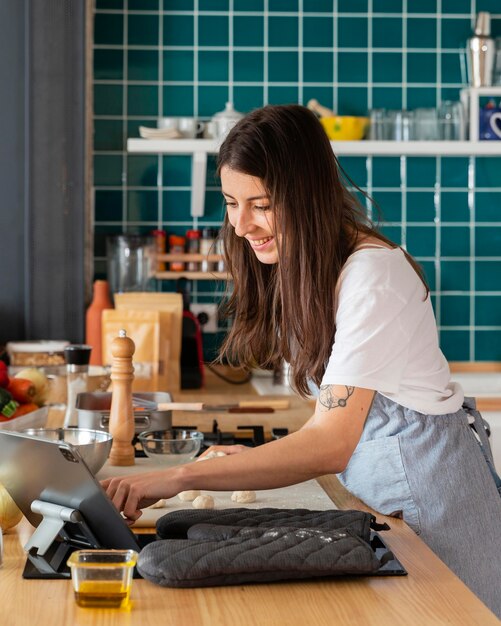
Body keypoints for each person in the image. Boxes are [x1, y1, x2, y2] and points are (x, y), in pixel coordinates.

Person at [103, 105, 501, 617]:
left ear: (306, 193)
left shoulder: (373, 276)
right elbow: (332, 416)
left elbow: (331, 442)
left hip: (437, 517)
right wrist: (242, 464)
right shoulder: (309, 264)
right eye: (230, 202)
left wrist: (181, 477)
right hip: (388, 511)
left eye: (260, 204)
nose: (242, 224)